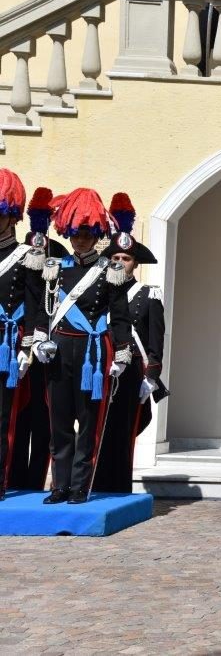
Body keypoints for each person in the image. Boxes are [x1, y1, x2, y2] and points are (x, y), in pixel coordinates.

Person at [33, 188, 132, 504]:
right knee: (59, 422)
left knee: (88, 423)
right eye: (76, 234)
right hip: (60, 350)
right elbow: (44, 308)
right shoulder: (56, 267)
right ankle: (59, 485)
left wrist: (122, 351)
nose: (81, 241)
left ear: (96, 235)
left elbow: (119, 316)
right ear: (68, 233)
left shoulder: (110, 270)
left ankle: (79, 487)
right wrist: (39, 339)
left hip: (93, 352)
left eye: (87, 234)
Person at [92, 193, 167, 494]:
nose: (120, 262)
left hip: (132, 370)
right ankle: (93, 484)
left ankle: (119, 487)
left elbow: (155, 339)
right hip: (99, 368)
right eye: (115, 258)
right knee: (95, 427)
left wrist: (151, 377)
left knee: (123, 430)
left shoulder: (148, 295)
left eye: (126, 258)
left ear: (135, 264)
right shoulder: (98, 293)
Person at [8, 187, 67, 492]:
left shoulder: (51, 256)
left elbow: (47, 302)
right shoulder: (17, 257)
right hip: (14, 345)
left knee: (42, 423)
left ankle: (33, 481)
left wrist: (36, 340)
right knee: (14, 418)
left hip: (42, 349)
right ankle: (14, 477)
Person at [0, 170, 45, 499]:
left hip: (8, 346)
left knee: (3, 418)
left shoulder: (26, 257)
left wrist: (27, 346)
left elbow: (35, 306)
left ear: (12, 216)